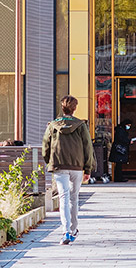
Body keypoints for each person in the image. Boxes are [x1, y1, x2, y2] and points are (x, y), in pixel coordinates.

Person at [42, 95, 95, 245]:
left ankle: (65, 231)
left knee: (63, 198)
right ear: (75, 108)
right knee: (74, 198)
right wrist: (88, 168)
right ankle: (73, 229)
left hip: (59, 166)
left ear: (62, 108)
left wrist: (50, 162)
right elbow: (88, 147)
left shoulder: (52, 125)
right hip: (77, 167)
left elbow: (45, 146)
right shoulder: (81, 125)